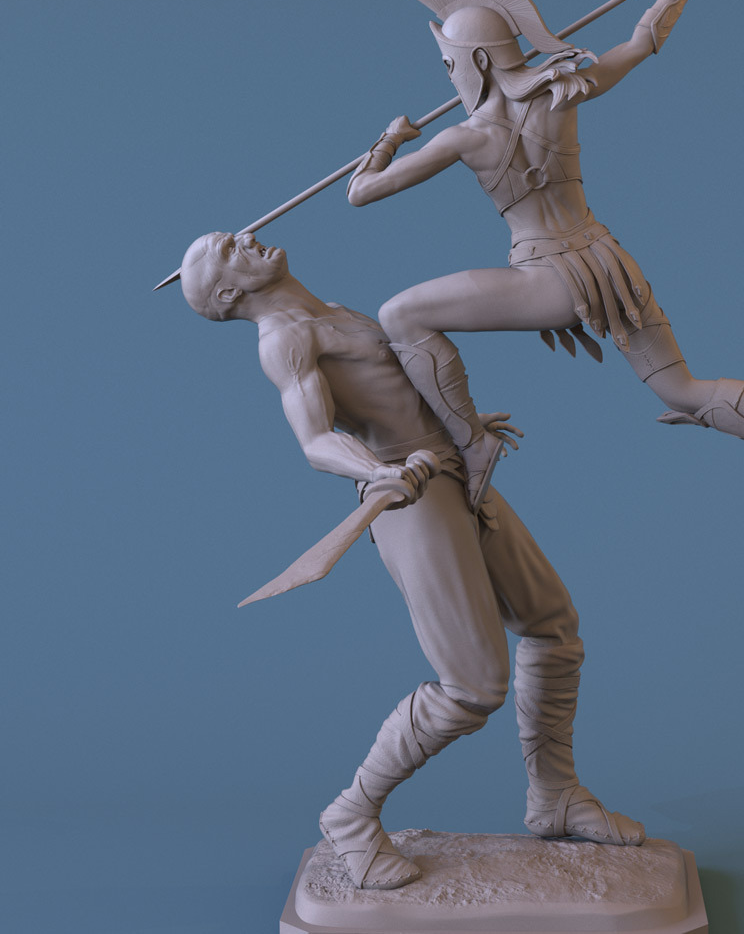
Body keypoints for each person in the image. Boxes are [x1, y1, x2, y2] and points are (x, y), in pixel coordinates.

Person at [175, 230, 645, 891]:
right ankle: (351, 813)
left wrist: (461, 425)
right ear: (228, 294)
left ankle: (556, 794)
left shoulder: (333, 311)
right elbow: (315, 440)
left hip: (455, 472)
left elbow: (401, 387)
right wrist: (378, 470)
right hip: (413, 496)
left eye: (233, 235)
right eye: (228, 249)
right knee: (473, 685)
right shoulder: (285, 340)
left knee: (552, 626)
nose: (246, 237)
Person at [345, 0, 744, 522]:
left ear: (479, 60)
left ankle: (473, 442)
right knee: (682, 389)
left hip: (547, 280)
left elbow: (360, 192)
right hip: (607, 265)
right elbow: (643, 41)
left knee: (400, 316)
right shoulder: (560, 94)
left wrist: (388, 139)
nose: (449, 74)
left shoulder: (464, 137)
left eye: (450, 62)